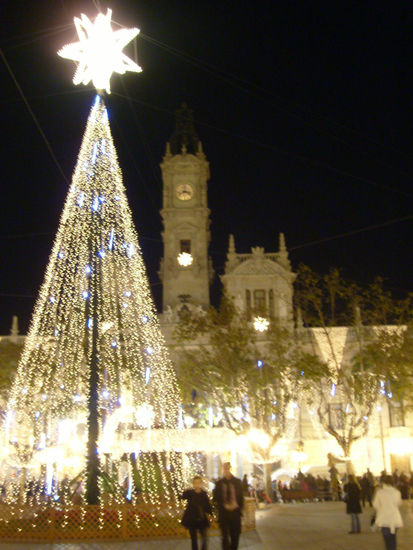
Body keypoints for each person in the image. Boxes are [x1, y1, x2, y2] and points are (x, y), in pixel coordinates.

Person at [213, 462, 244, 550]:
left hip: (235, 512)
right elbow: (215, 497)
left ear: (230, 468)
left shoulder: (237, 482)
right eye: (224, 468)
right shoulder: (219, 483)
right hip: (224, 513)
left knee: (235, 535)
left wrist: (240, 509)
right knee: (224, 537)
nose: (226, 470)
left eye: (227, 468)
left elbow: (241, 497)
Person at [180, 476, 212, 550]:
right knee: (193, 539)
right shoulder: (190, 493)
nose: (197, 485)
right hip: (192, 519)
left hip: (202, 518)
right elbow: (182, 497)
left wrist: (210, 514)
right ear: (193, 484)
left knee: (204, 538)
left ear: (201, 484)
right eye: (195, 483)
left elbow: (207, 505)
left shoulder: (204, 494)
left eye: (198, 483)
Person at [373, 475, 403, 550]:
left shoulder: (380, 492)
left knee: (387, 541)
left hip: (384, 518)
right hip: (394, 518)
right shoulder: (397, 492)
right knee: (393, 539)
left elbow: (376, 505)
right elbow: (398, 504)